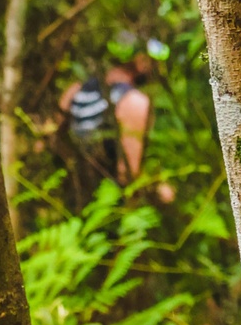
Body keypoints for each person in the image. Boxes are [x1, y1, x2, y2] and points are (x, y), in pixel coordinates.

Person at [58, 33, 173, 205]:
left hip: (69, 196)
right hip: (107, 204)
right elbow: (128, 174)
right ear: (140, 60)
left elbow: (50, 138)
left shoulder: (74, 90)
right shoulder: (134, 102)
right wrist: (156, 189)